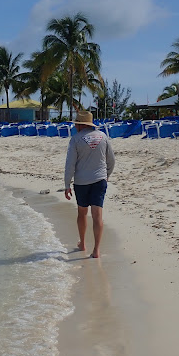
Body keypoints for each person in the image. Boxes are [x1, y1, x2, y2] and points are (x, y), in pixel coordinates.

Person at [64, 110, 115, 258]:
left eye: (76, 125)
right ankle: (96, 250)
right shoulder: (103, 137)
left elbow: (70, 164)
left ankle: (83, 243)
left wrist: (67, 184)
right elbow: (111, 161)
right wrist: (106, 176)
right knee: (97, 215)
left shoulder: (75, 139)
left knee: (82, 213)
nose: (75, 127)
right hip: (100, 180)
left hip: (81, 182)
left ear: (80, 125)